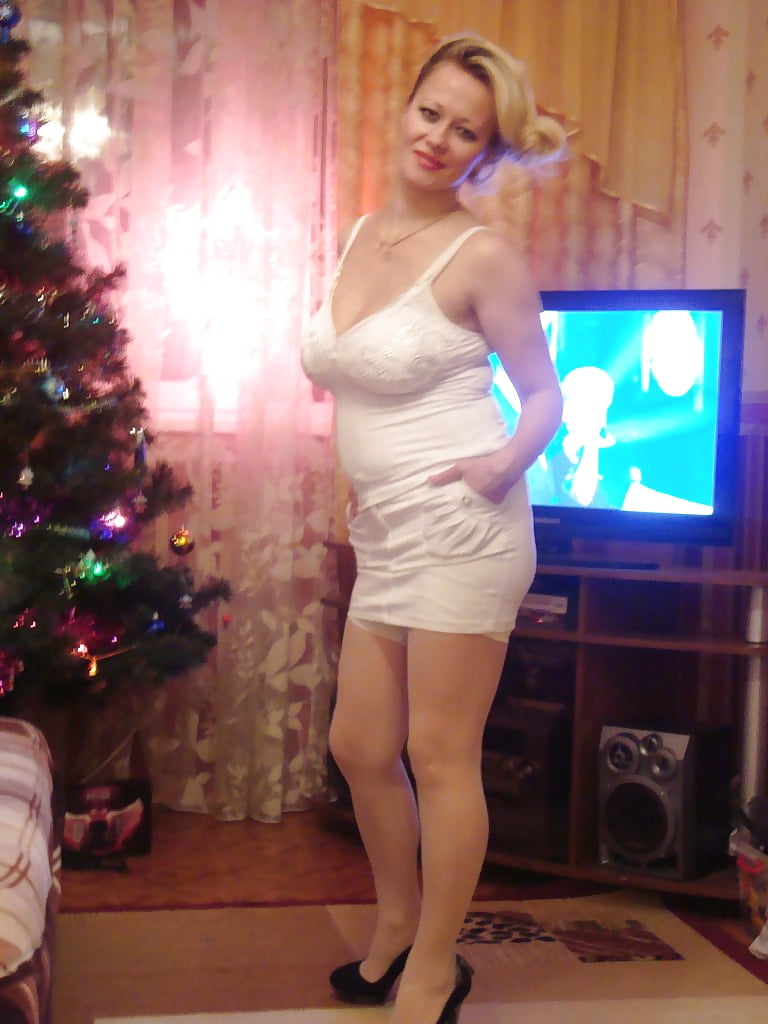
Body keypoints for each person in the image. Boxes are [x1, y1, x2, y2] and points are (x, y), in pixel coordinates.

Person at [301, 33, 566, 1024]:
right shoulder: (361, 235)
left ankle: (434, 966)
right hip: (387, 531)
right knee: (360, 744)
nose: (438, 137)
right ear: (405, 105)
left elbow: (545, 397)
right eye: (430, 112)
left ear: (483, 152)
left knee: (441, 752)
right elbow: (360, 382)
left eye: (465, 130)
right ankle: (398, 923)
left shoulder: (482, 254)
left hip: (465, 527)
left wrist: (502, 463)